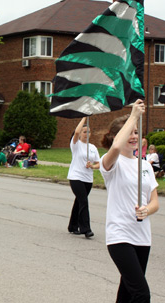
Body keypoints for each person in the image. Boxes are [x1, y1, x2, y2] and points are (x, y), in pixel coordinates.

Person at [100, 100, 159, 302]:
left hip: (142, 236)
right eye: (130, 132)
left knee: (127, 292)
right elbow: (116, 146)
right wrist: (133, 115)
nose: (134, 136)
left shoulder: (146, 166)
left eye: (136, 132)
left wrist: (147, 210)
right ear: (117, 135)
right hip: (120, 236)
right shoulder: (110, 163)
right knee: (141, 294)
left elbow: (154, 202)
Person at [67, 117, 100, 238]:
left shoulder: (93, 148)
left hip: (88, 179)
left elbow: (99, 163)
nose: (86, 134)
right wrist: (84, 117)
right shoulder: (75, 144)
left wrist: (92, 166)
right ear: (81, 133)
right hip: (76, 177)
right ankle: (86, 229)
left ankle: (72, 226)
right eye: (84, 131)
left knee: (79, 202)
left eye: (88, 132)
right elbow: (75, 132)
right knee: (84, 201)